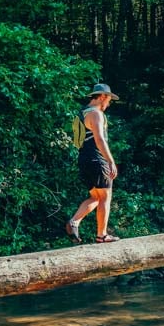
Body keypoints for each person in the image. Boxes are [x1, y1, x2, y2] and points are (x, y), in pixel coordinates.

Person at [66, 83, 121, 244]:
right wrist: (110, 161)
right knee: (106, 197)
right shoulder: (96, 114)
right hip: (97, 160)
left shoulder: (81, 114)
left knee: (96, 197)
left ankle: (74, 222)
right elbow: (100, 139)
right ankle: (102, 235)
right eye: (109, 100)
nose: (109, 104)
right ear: (102, 96)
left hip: (84, 159)